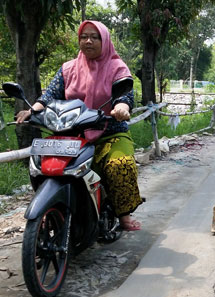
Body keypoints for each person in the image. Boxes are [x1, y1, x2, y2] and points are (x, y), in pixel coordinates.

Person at [16, 20, 143, 231]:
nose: (88, 41)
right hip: (70, 134)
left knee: (120, 165)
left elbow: (125, 95)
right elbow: (49, 95)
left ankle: (124, 216)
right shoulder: (68, 68)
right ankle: (51, 206)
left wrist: (121, 108)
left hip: (109, 132)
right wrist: (32, 110)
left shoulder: (117, 68)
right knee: (43, 165)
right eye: (84, 37)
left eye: (94, 37)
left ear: (105, 40)